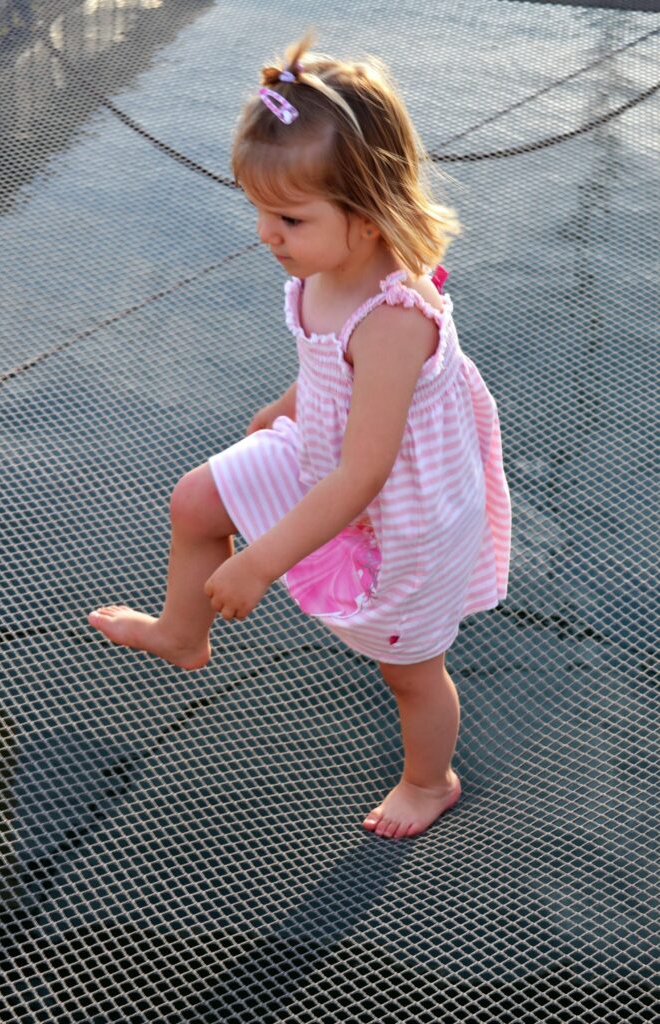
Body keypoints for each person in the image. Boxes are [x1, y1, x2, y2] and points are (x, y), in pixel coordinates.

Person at [88, 31, 511, 841]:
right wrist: (282, 405)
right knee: (198, 497)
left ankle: (430, 779)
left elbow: (364, 473)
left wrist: (260, 558)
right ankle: (184, 633)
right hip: (325, 449)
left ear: (367, 214)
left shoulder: (392, 318)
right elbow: (328, 372)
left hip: (399, 512)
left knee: (408, 671)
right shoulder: (323, 268)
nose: (264, 233)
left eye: (287, 216)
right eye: (257, 210)